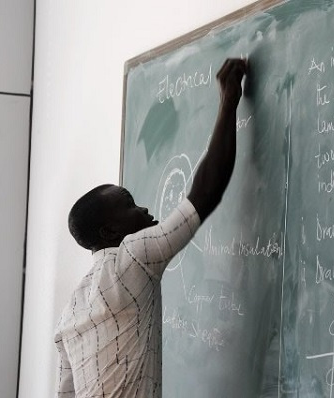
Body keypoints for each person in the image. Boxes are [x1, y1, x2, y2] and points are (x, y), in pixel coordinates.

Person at [54, 58, 247, 398]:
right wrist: (229, 102)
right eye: (129, 205)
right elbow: (204, 195)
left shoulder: (73, 308)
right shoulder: (132, 259)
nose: (143, 208)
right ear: (110, 233)